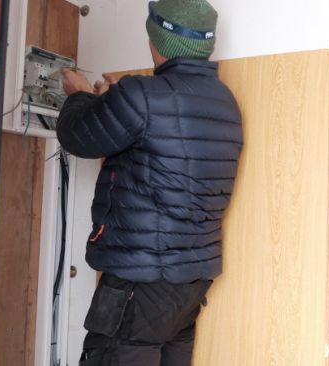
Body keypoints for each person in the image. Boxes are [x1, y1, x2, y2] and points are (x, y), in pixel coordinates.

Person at [57, 1, 242, 365]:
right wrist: (111, 104)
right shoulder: (225, 103)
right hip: (189, 282)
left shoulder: (142, 95)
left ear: (157, 38)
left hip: (140, 280)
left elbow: (78, 137)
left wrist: (79, 95)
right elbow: (160, 146)